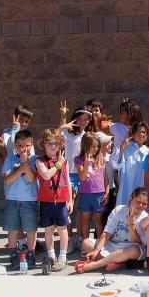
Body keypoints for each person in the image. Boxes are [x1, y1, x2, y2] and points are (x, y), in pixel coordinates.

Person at [75, 188, 149, 273]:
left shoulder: (145, 217)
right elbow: (107, 233)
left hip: (130, 248)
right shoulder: (119, 210)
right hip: (113, 245)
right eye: (138, 202)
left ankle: (96, 265)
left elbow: (138, 242)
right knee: (86, 243)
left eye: (144, 204)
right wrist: (96, 251)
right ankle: (118, 262)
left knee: (134, 250)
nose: (140, 206)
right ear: (130, 199)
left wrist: (131, 225)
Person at [35, 129, 72, 272]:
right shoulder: (40, 161)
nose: (53, 146)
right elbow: (45, 175)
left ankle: (63, 256)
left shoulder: (64, 161)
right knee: (49, 229)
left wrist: (70, 201)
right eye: (50, 143)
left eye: (56, 143)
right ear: (44, 144)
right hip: (46, 201)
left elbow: (67, 181)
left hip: (61, 200)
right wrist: (58, 163)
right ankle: (51, 254)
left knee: (63, 229)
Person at [2, 130, 39, 271]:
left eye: (27, 145)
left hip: (29, 200)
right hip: (12, 199)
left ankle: (31, 253)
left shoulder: (35, 160)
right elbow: (7, 179)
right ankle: (13, 253)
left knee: (30, 229)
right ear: (15, 146)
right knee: (12, 228)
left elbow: (31, 178)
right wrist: (20, 169)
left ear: (32, 145)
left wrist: (25, 163)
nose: (23, 148)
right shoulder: (10, 159)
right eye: (20, 145)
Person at [59, 103, 93, 252]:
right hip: (69, 174)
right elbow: (55, 135)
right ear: (76, 119)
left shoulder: (88, 135)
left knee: (81, 209)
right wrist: (63, 119)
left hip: (84, 174)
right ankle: (69, 238)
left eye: (86, 119)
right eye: (81, 118)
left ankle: (79, 238)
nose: (83, 122)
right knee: (68, 208)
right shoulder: (67, 133)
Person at [75, 132, 109, 242]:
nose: (96, 148)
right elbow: (82, 177)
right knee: (85, 221)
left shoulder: (101, 159)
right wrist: (86, 164)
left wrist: (107, 192)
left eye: (97, 146)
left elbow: (105, 177)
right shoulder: (79, 159)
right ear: (86, 145)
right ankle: (85, 245)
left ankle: (100, 246)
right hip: (85, 194)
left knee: (98, 221)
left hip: (99, 194)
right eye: (93, 146)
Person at [114, 121, 149, 206]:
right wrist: (122, 148)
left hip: (142, 186)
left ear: (147, 135)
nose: (141, 134)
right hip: (128, 187)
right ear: (133, 134)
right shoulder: (126, 149)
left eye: (143, 132)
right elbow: (116, 164)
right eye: (138, 131)